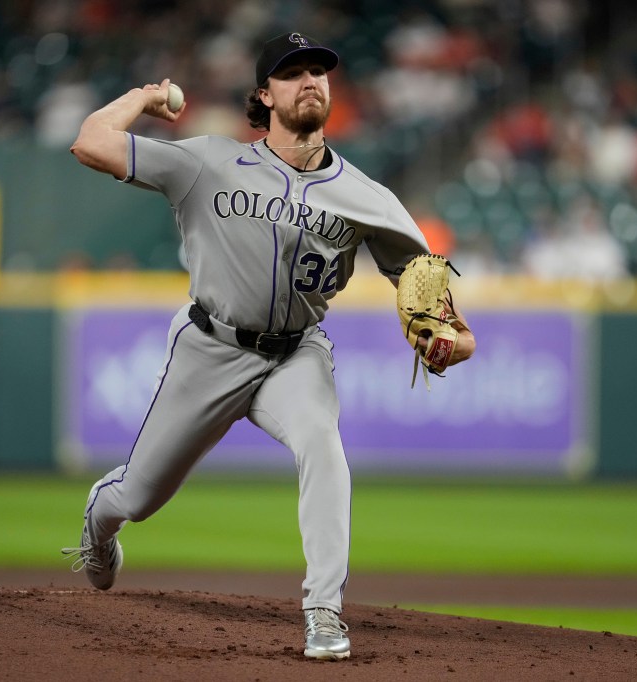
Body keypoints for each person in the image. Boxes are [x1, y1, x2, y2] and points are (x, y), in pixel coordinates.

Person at [62, 31, 475, 661]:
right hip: (210, 347)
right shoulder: (208, 161)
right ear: (264, 93)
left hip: (297, 354)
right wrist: (144, 99)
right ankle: (101, 515)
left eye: (319, 71)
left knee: (323, 445)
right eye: (293, 73)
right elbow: (90, 142)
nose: (311, 80)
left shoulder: (369, 199)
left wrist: (452, 340)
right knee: (138, 497)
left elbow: (436, 304)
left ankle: (324, 610)